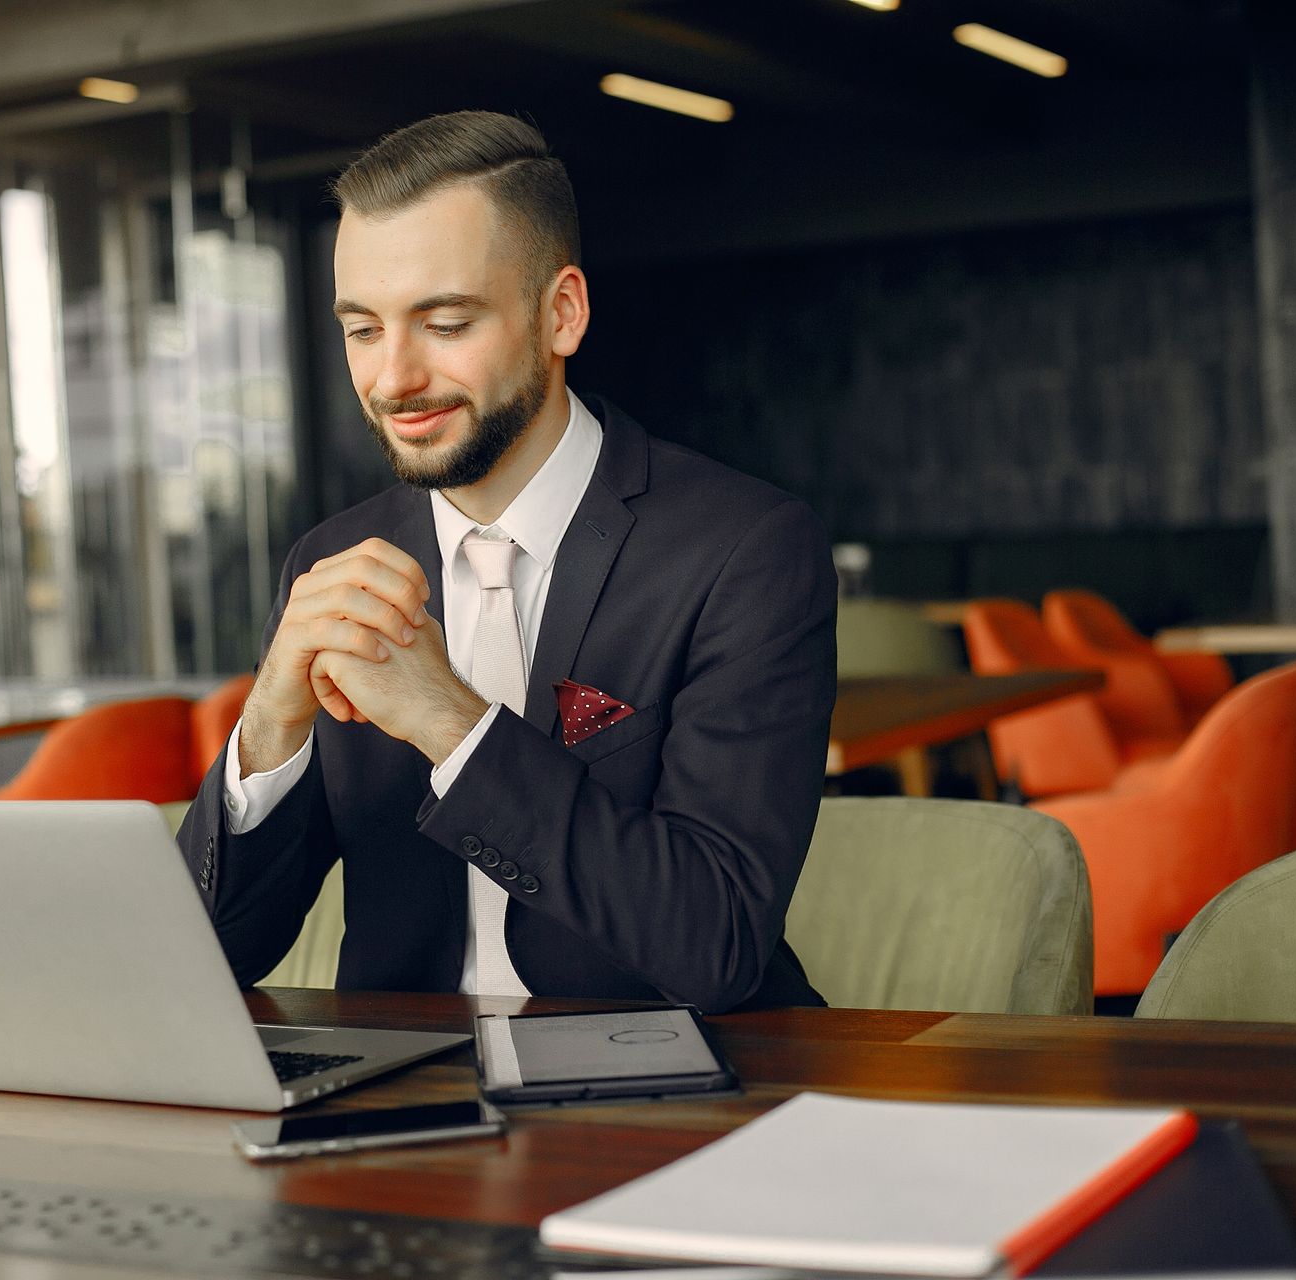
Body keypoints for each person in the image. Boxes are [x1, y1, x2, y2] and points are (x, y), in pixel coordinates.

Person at [177, 111, 835, 1013]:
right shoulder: (329, 562)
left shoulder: (745, 552)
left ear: (560, 313)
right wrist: (267, 735)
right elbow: (207, 961)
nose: (393, 378)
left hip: (679, 1093)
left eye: (445, 323)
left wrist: (451, 721)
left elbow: (714, 944)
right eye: (362, 329)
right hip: (409, 1099)